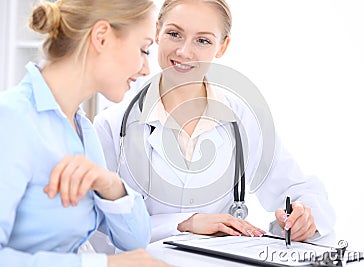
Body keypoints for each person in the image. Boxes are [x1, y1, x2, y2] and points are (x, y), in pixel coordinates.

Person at [94, 0, 336, 243]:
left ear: (222, 46)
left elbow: (297, 190)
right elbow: (98, 221)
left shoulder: (245, 119)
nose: (184, 51)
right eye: (174, 34)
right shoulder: (112, 125)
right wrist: (184, 223)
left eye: (203, 40)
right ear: (157, 31)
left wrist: (302, 216)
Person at [0, 0, 170, 266]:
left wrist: (110, 186)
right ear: (101, 37)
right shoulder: (10, 120)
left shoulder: (84, 130)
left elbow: (136, 241)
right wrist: (104, 265)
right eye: (143, 49)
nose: (146, 69)